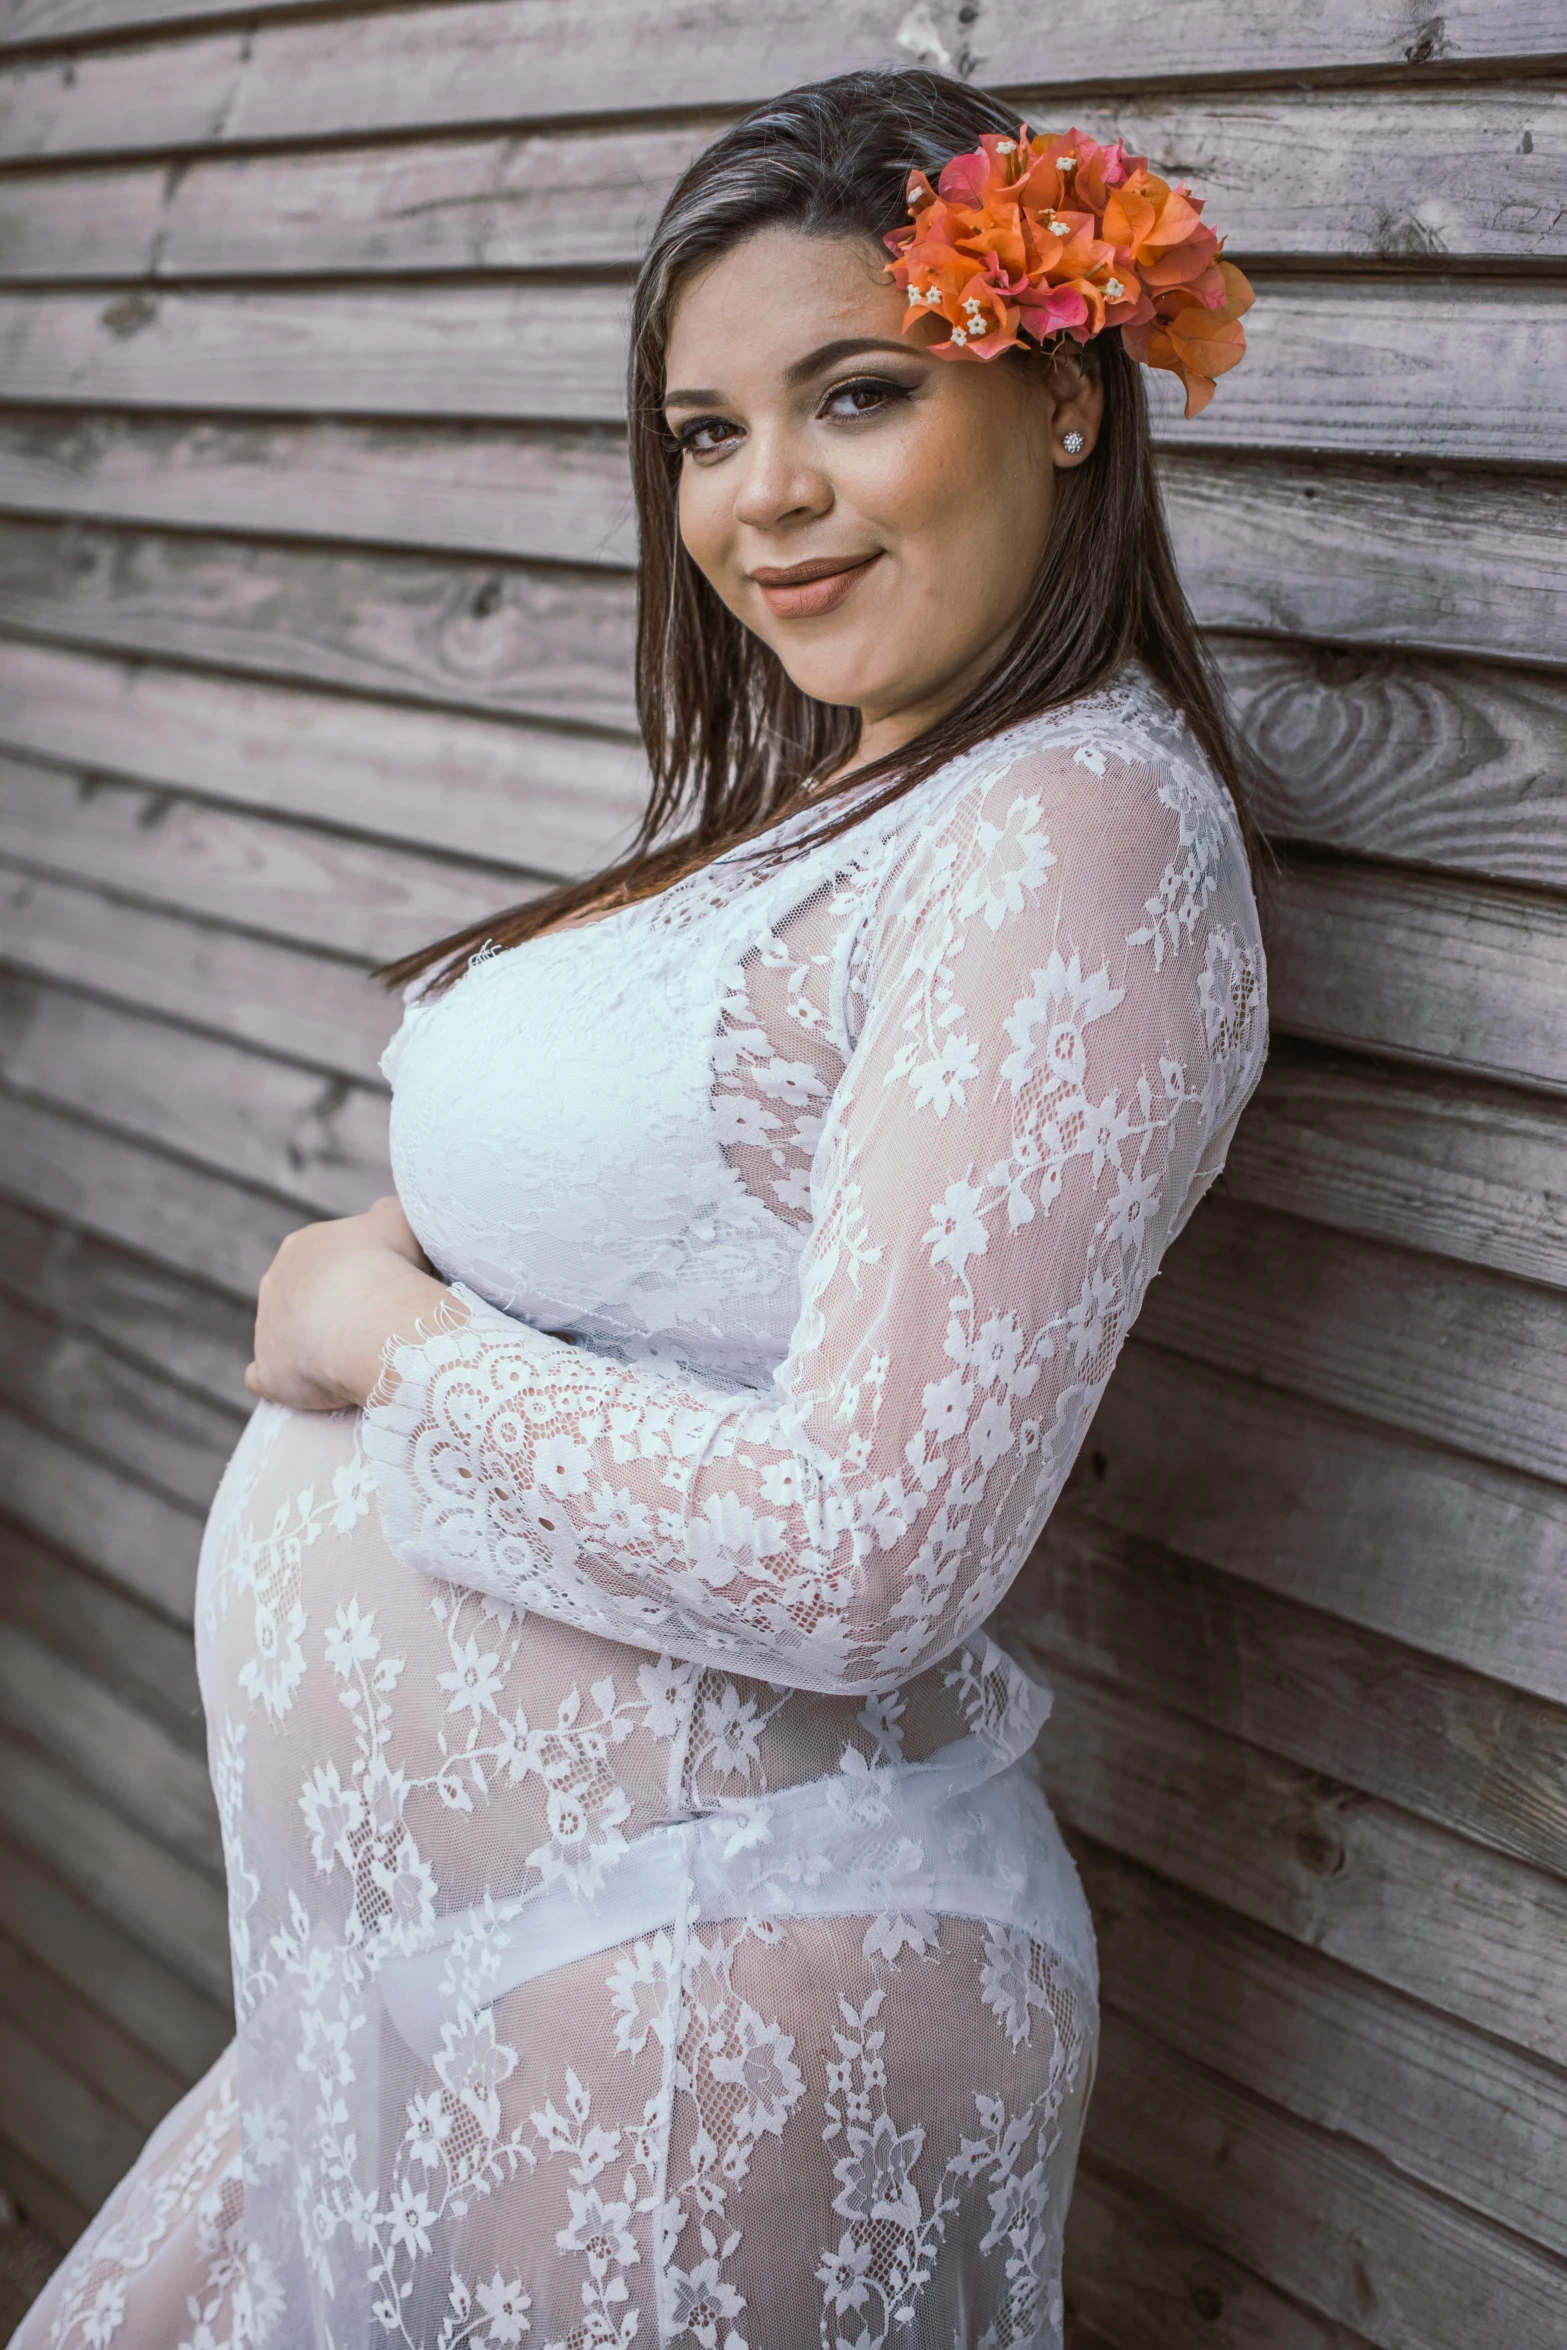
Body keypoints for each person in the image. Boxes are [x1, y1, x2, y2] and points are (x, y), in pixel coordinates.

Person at [15, 66, 1265, 2350]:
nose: (763, 496)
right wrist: (391, 1266)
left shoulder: (1076, 830)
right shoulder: (841, 805)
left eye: (856, 396)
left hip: (714, 2010)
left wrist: (385, 1341)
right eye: (703, 430)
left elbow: (869, 1541)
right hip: (465, 1982)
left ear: (1069, 390)